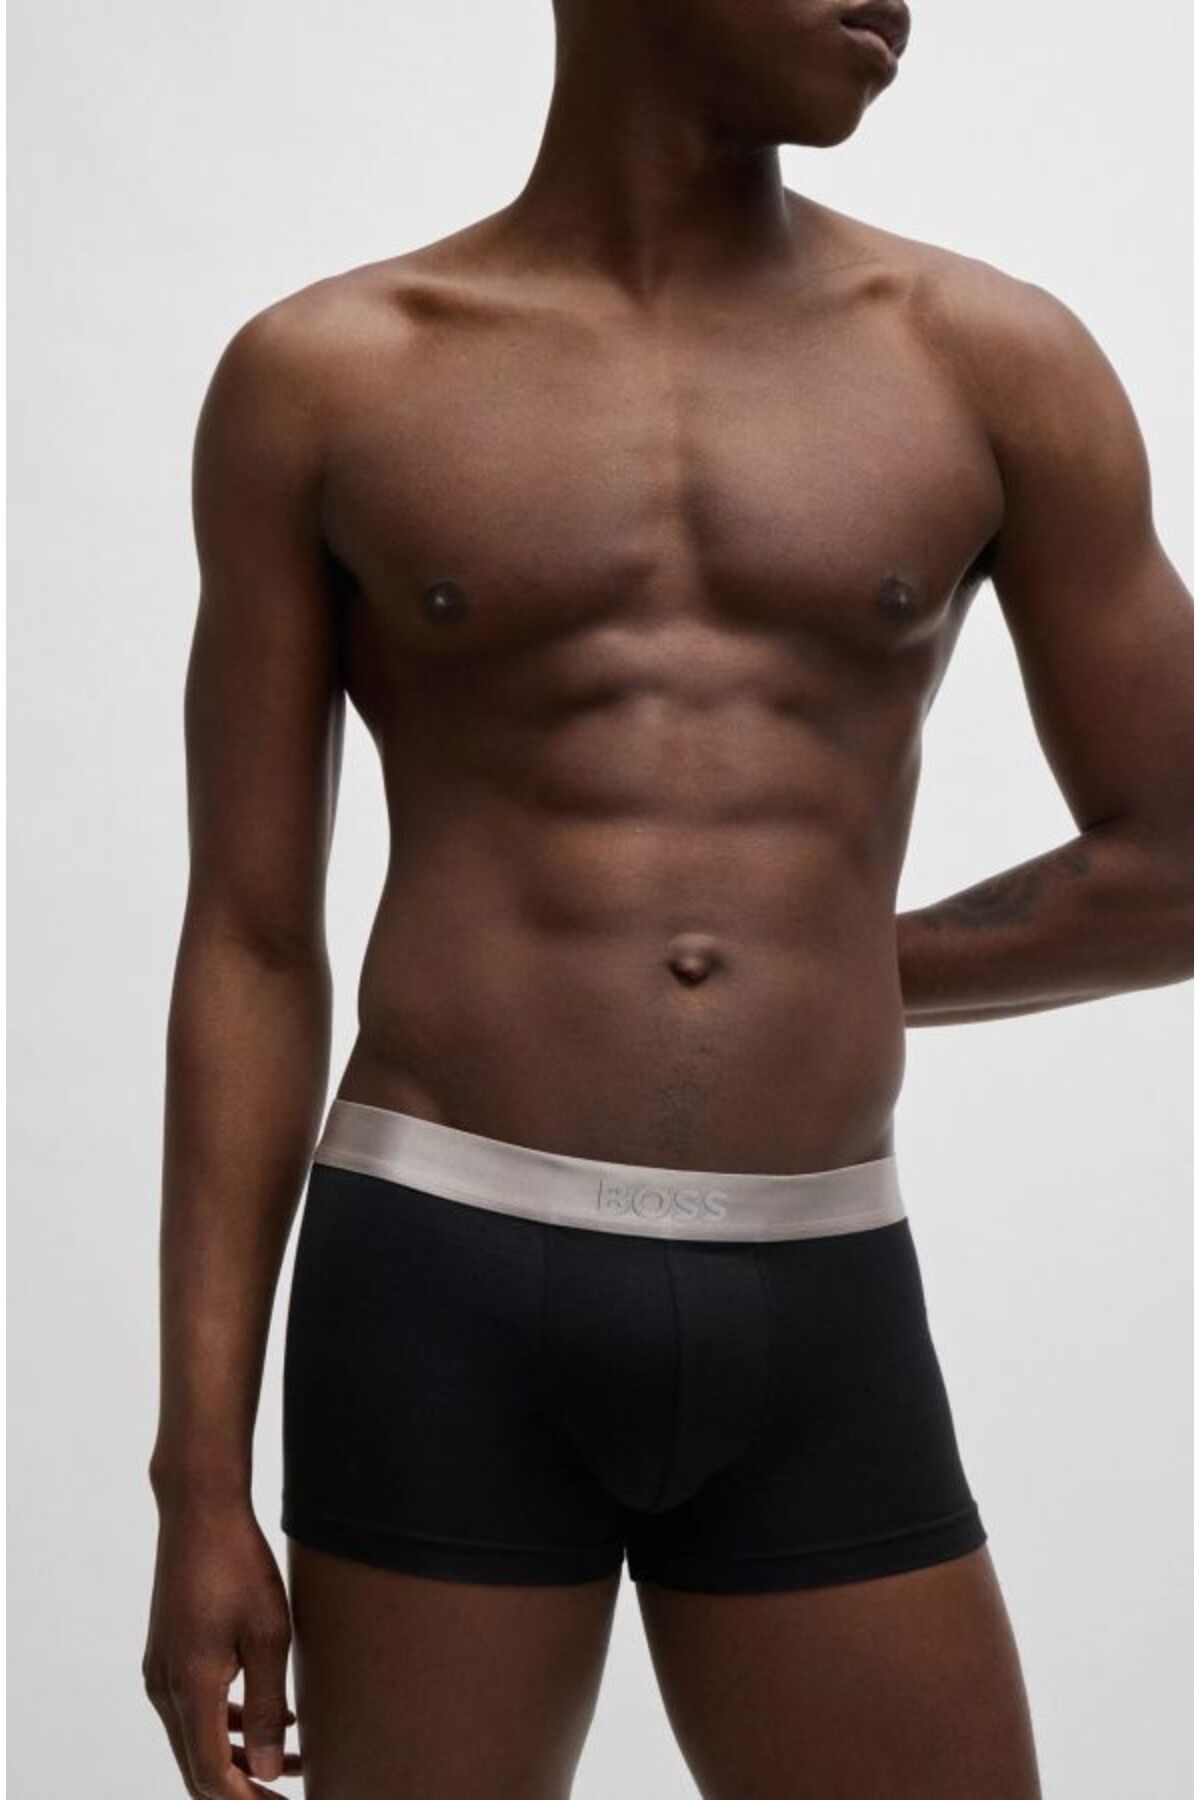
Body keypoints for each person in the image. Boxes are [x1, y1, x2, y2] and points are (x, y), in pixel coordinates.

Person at [141, 0, 1194, 1793]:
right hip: (440, 1278)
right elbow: (249, 938)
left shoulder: (991, 363)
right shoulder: (330, 377)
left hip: (819, 1287)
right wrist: (199, 1483)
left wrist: (836, 966)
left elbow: (1178, 865)